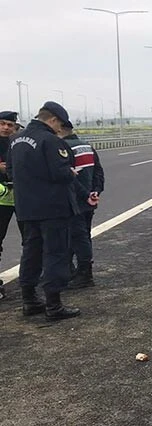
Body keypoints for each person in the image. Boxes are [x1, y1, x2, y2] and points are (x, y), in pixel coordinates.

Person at [9, 101, 94, 320]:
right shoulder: (50, 141)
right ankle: (54, 306)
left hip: (27, 208)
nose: (60, 129)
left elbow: (10, 170)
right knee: (55, 253)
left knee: (31, 253)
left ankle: (29, 300)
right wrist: (71, 174)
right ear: (53, 119)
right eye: (60, 124)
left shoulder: (16, 140)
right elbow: (61, 173)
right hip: (53, 208)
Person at [60, 120, 104, 289]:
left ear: (60, 129)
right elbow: (98, 172)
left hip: (74, 200)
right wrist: (96, 191)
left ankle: (84, 274)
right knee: (84, 235)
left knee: (77, 237)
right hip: (89, 199)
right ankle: (77, 271)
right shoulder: (87, 146)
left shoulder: (63, 148)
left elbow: (66, 177)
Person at [0, 111, 22, 295]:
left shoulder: (18, 144)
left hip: (22, 197)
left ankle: (30, 279)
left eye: (9, 124)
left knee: (31, 239)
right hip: (1, 201)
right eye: (2, 124)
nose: (6, 128)